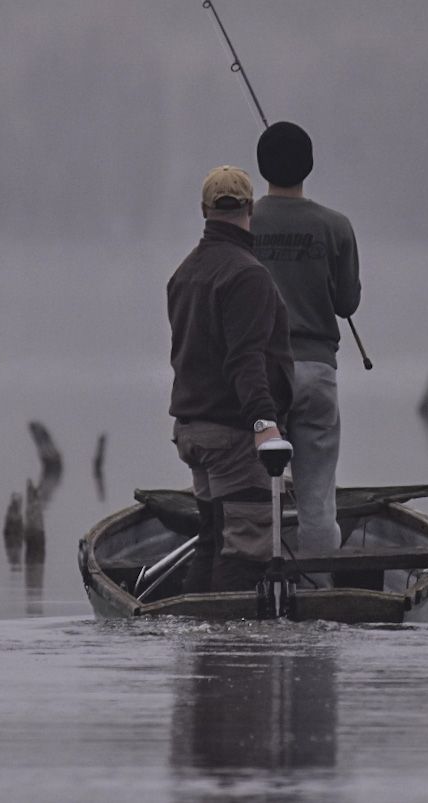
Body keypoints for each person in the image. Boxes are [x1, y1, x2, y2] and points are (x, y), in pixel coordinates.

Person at [168, 165, 295, 592]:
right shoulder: (248, 274)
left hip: (192, 431)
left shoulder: (183, 274)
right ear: (249, 208)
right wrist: (265, 425)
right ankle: (229, 648)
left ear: (204, 210)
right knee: (247, 551)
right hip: (232, 435)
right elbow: (246, 360)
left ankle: (196, 641)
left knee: (211, 541)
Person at [250, 122, 360, 577]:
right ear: (309, 167)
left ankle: (255, 582)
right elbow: (347, 303)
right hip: (317, 370)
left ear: (261, 166)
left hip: (261, 375)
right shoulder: (336, 226)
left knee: (256, 492)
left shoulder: (244, 224)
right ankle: (318, 590)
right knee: (317, 499)